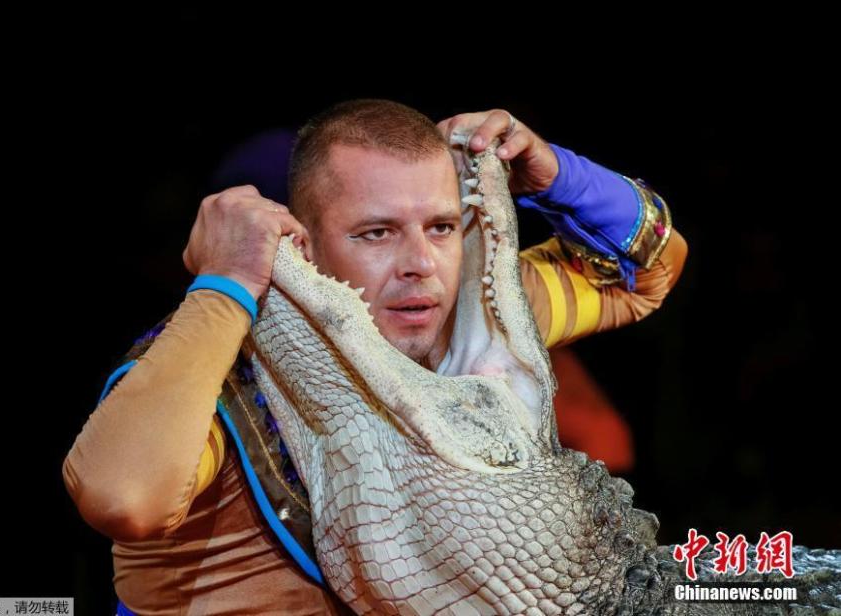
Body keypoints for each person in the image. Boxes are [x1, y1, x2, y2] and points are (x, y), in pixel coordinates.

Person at [62, 99, 687, 615]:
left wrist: (558, 176)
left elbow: (645, 276)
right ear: (302, 243)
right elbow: (125, 499)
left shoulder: (462, 317)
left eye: (441, 227)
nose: (421, 264)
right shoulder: (215, 363)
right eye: (376, 233)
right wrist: (224, 284)